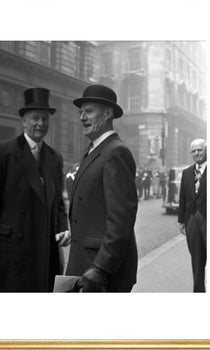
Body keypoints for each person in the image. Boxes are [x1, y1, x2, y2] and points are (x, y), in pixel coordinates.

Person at [0, 87, 71, 292]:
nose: (41, 124)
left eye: (45, 119)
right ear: (24, 121)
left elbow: (59, 204)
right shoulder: (3, 151)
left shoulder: (55, 157)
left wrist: (62, 226)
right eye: (35, 118)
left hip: (45, 248)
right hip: (12, 249)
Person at [65, 84, 138, 292]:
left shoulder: (116, 152)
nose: (82, 117)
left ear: (107, 114)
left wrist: (101, 267)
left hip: (101, 271)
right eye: (81, 112)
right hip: (85, 263)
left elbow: (121, 219)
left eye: (88, 111)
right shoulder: (94, 150)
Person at [178, 139, 207, 292]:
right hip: (192, 223)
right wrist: (181, 221)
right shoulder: (187, 172)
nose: (196, 153)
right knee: (196, 261)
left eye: (199, 150)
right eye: (193, 151)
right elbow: (183, 197)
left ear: (206, 150)